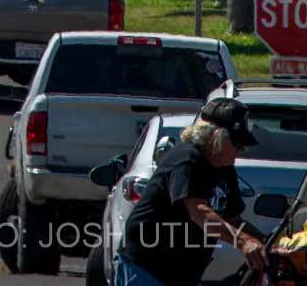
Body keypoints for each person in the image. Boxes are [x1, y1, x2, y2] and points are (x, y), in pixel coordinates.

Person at [114, 99, 266, 286]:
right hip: (147, 266)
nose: (241, 150)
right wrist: (243, 242)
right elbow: (199, 212)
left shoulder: (225, 169)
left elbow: (234, 220)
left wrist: (268, 244)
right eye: (237, 143)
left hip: (181, 273)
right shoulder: (187, 159)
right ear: (216, 137)